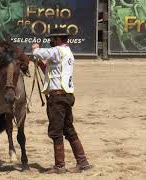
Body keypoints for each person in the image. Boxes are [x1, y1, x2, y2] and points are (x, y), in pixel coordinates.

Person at [31, 29, 93, 174]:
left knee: (56, 131)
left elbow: (37, 52)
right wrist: (41, 64)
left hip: (58, 97)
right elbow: (51, 70)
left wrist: (35, 47)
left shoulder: (58, 50)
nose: (51, 41)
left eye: (53, 39)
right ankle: (82, 162)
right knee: (68, 129)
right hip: (66, 95)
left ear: (58, 39)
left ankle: (60, 166)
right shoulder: (67, 52)